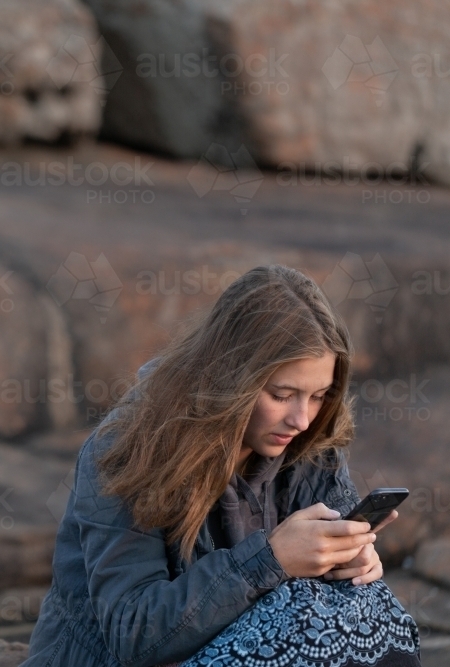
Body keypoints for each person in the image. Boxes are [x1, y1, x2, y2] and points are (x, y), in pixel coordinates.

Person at [21, 265, 421, 667]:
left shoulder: (313, 442)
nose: (301, 419)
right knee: (302, 615)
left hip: (251, 647)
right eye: (282, 395)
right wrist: (271, 559)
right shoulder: (131, 447)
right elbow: (134, 634)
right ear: (232, 377)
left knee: (370, 608)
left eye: (318, 395)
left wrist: (349, 564)